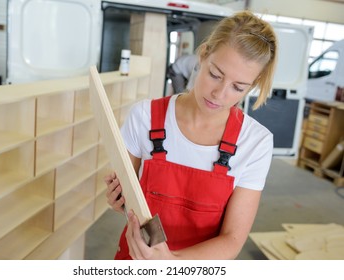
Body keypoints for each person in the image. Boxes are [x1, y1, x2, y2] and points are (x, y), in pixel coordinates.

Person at [105, 10, 278, 260]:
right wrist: (118, 201)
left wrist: (172, 264)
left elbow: (232, 239)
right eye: (215, 75)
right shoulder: (144, 117)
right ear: (203, 53)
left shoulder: (255, 142)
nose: (219, 93)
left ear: (255, 83)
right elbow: (128, 200)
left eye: (238, 87)